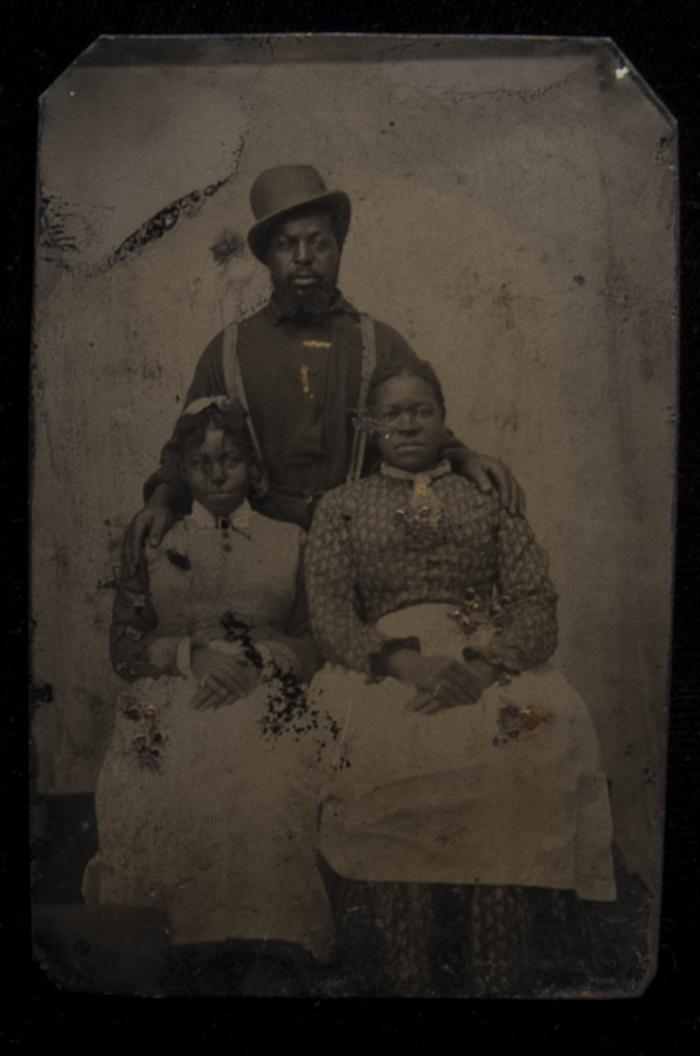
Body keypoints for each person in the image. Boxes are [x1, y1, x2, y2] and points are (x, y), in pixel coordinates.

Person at [303, 361, 617, 996]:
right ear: (369, 426)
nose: (408, 423)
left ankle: (500, 965)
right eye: (391, 413)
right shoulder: (340, 507)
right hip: (385, 666)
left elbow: (534, 600)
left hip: (485, 662)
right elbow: (330, 614)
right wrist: (405, 663)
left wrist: (480, 667)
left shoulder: (486, 497)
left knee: (531, 739)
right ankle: (406, 970)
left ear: (445, 421)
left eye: (422, 410)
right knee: (386, 752)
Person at [127, 165, 524, 573]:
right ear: (266, 256)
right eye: (287, 245)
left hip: (364, 545)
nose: (304, 258)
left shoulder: (378, 343)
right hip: (261, 552)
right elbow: (187, 448)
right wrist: (160, 502)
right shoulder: (229, 350)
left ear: (339, 248)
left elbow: (413, 424)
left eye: (319, 243)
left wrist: (464, 457)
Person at [83, 397, 336, 993]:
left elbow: (314, 638)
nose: (217, 474)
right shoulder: (152, 539)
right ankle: (182, 943)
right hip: (176, 687)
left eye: (231, 460)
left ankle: (269, 941)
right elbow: (125, 645)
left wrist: (259, 663)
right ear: (183, 472)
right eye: (201, 463)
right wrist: (190, 658)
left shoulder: (291, 538)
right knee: (164, 777)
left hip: (266, 686)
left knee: (267, 778)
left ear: (254, 467)